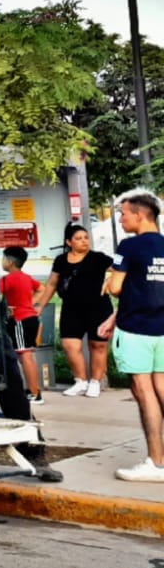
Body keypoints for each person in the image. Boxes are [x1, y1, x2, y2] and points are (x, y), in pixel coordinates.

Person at [99, 188, 164, 482]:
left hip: (136, 329)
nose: (122, 219)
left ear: (140, 215)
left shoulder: (129, 246)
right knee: (161, 387)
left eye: (124, 214)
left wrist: (111, 278)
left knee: (144, 392)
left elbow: (115, 288)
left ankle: (156, 462)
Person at [36, 223, 113, 397]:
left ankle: (95, 382)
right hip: (71, 308)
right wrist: (40, 306)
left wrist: (111, 282)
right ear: (69, 242)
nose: (84, 241)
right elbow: (51, 284)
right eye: (79, 239)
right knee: (70, 345)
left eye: (86, 238)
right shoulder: (61, 260)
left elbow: (121, 269)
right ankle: (80, 381)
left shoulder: (99, 258)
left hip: (98, 307)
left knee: (98, 345)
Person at [0, 246, 43, 404]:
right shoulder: (26, 277)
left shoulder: (8, 279)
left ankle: (34, 393)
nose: (2, 262)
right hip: (30, 318)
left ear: (10, 262)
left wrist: (14, 307)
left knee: (25, 356)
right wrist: (29, 304)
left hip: (20, 320)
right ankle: (33, 390)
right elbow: (42, 289)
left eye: (3, 258)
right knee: (27, 355)